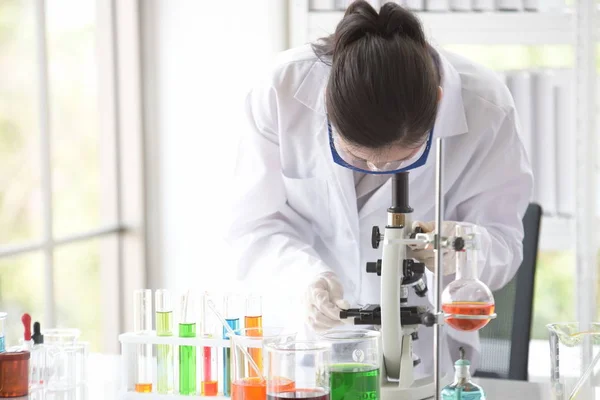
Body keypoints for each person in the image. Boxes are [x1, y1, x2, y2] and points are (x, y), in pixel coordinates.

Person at [226, 1, 533, 376]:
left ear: (438, 103)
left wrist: (464, 249)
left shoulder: (486, 107)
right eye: (358, 158)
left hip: (426, 359)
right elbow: (252, 227)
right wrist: (305, 280)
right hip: (307, 349)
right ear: (327, 105)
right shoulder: (281, 91)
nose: (377, 170)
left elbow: (503, 243)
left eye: (397, 161)